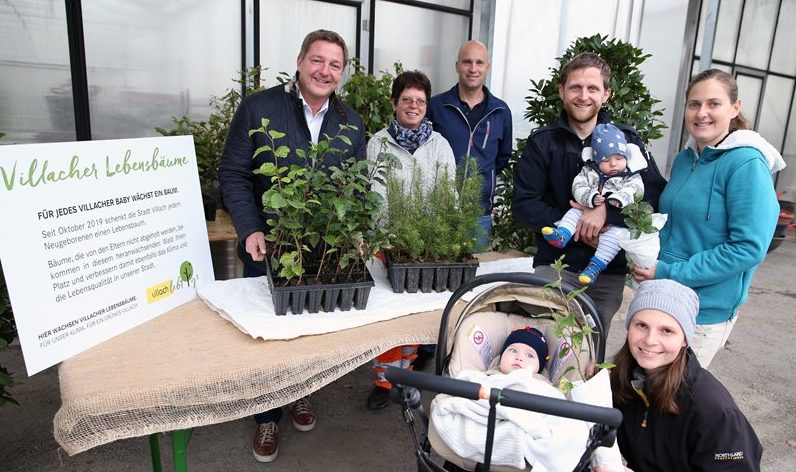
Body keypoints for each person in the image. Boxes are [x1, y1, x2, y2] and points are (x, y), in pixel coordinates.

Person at [218, 29, 366, 463]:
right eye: (317, 60)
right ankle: (267, 414)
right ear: (300, 61)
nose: (325, 71)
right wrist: (249, 228)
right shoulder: (259, 108)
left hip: (320, 248)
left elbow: (353, 188)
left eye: (335, 64)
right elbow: (233, 173)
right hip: (268, 245)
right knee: (268, 334)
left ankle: (300, 392)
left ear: (342, 73)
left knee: (307, 331)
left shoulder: (350, 122)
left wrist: (353, 232)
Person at [633, 69, 783, 367]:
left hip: (703, 309)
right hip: (662, 298)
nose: (702, 113)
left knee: (676, 401)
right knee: (645, 394)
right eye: (694, 104)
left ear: (735, 108)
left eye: (713, 104)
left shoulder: (746, 163)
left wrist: (668, 271)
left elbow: (748, 248)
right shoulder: (685, 158)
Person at [512, 52, 666, 335]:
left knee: (592, 350)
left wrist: (608, 212)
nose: (583, 96)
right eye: (575, 87)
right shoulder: (542, 143)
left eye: (593, 88)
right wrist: (580, 224)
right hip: (555, 267)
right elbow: (524, 205)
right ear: (561, 91)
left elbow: (654, 195)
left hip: (607, 272)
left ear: (606, 93)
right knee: (548, 345)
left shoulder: (628, 142)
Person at [365, 70, 456, 410]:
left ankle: (406, 375)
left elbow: (450, 196)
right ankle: (383, 379)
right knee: (388, 317)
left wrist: (441, 237)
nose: (413, 106)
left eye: (420, 101)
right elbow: (373, 195)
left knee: (414, 315)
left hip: (424, 246)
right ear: (394, 103)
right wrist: (381, 236)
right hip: (385, 244)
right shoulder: (378, 143)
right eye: (407, 100)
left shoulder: (440, 145)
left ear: (427, 105)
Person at [605, 279, 762, 471]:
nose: (650, 340)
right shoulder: (623, 379)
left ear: (684, 340)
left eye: (667, 330)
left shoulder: (714, 413)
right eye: (641, 325)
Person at [427, 40, 513, 250]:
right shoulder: (437, 107)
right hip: (439, 211)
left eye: (479, 63)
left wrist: (483, 182)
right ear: (457, 65)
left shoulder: (501, 111)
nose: (473, 69)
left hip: (479, 214)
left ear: (487, 67)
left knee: (476, 275)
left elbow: (502, 157)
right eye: (467, 62)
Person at [541, 122, 645, 285]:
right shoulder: (589, 172)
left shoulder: (631, 176)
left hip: (614, 223)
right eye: (606, 159)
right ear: (596, 160)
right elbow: (578, 186)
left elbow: (636, 190)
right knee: (573, 212)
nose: (613, 164)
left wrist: (614, 203)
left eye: (619, 158)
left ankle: (594, 267)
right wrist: (590, 197)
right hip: (586, 209)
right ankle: (562, 234)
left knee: (613, 240)